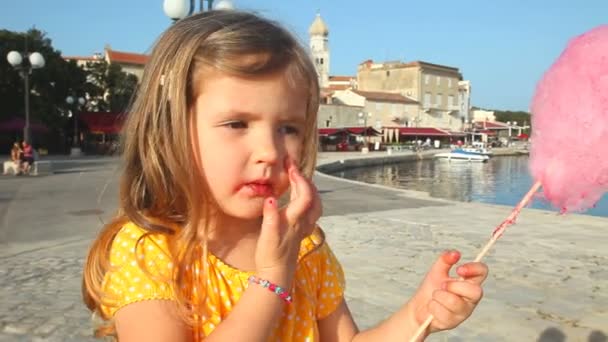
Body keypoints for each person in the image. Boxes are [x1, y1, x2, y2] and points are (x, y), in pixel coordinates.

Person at [82, 10, 488, 342]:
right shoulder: (150, 252)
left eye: (288, 128)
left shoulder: (305, 248)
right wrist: (273, 279)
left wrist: (419, 315)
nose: (270, 152)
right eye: (237, 123)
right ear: (170, 128)